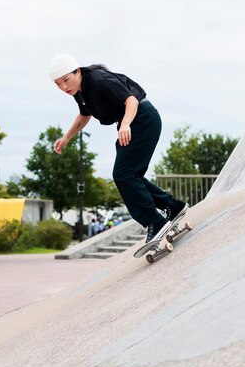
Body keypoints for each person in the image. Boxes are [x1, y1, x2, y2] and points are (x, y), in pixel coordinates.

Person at [49, 54, 188, 244]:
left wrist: (125, 124)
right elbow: (84, 115)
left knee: (124, 174)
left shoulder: (99, 80)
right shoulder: (80, 92)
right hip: (133, 123)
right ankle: (172, 206)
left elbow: (132, 100)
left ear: (78, 71)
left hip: (142, 119)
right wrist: (66, 138)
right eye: (58, 84)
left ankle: (155, 222)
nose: (64, 87)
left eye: (66, 80)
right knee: (129, 175)